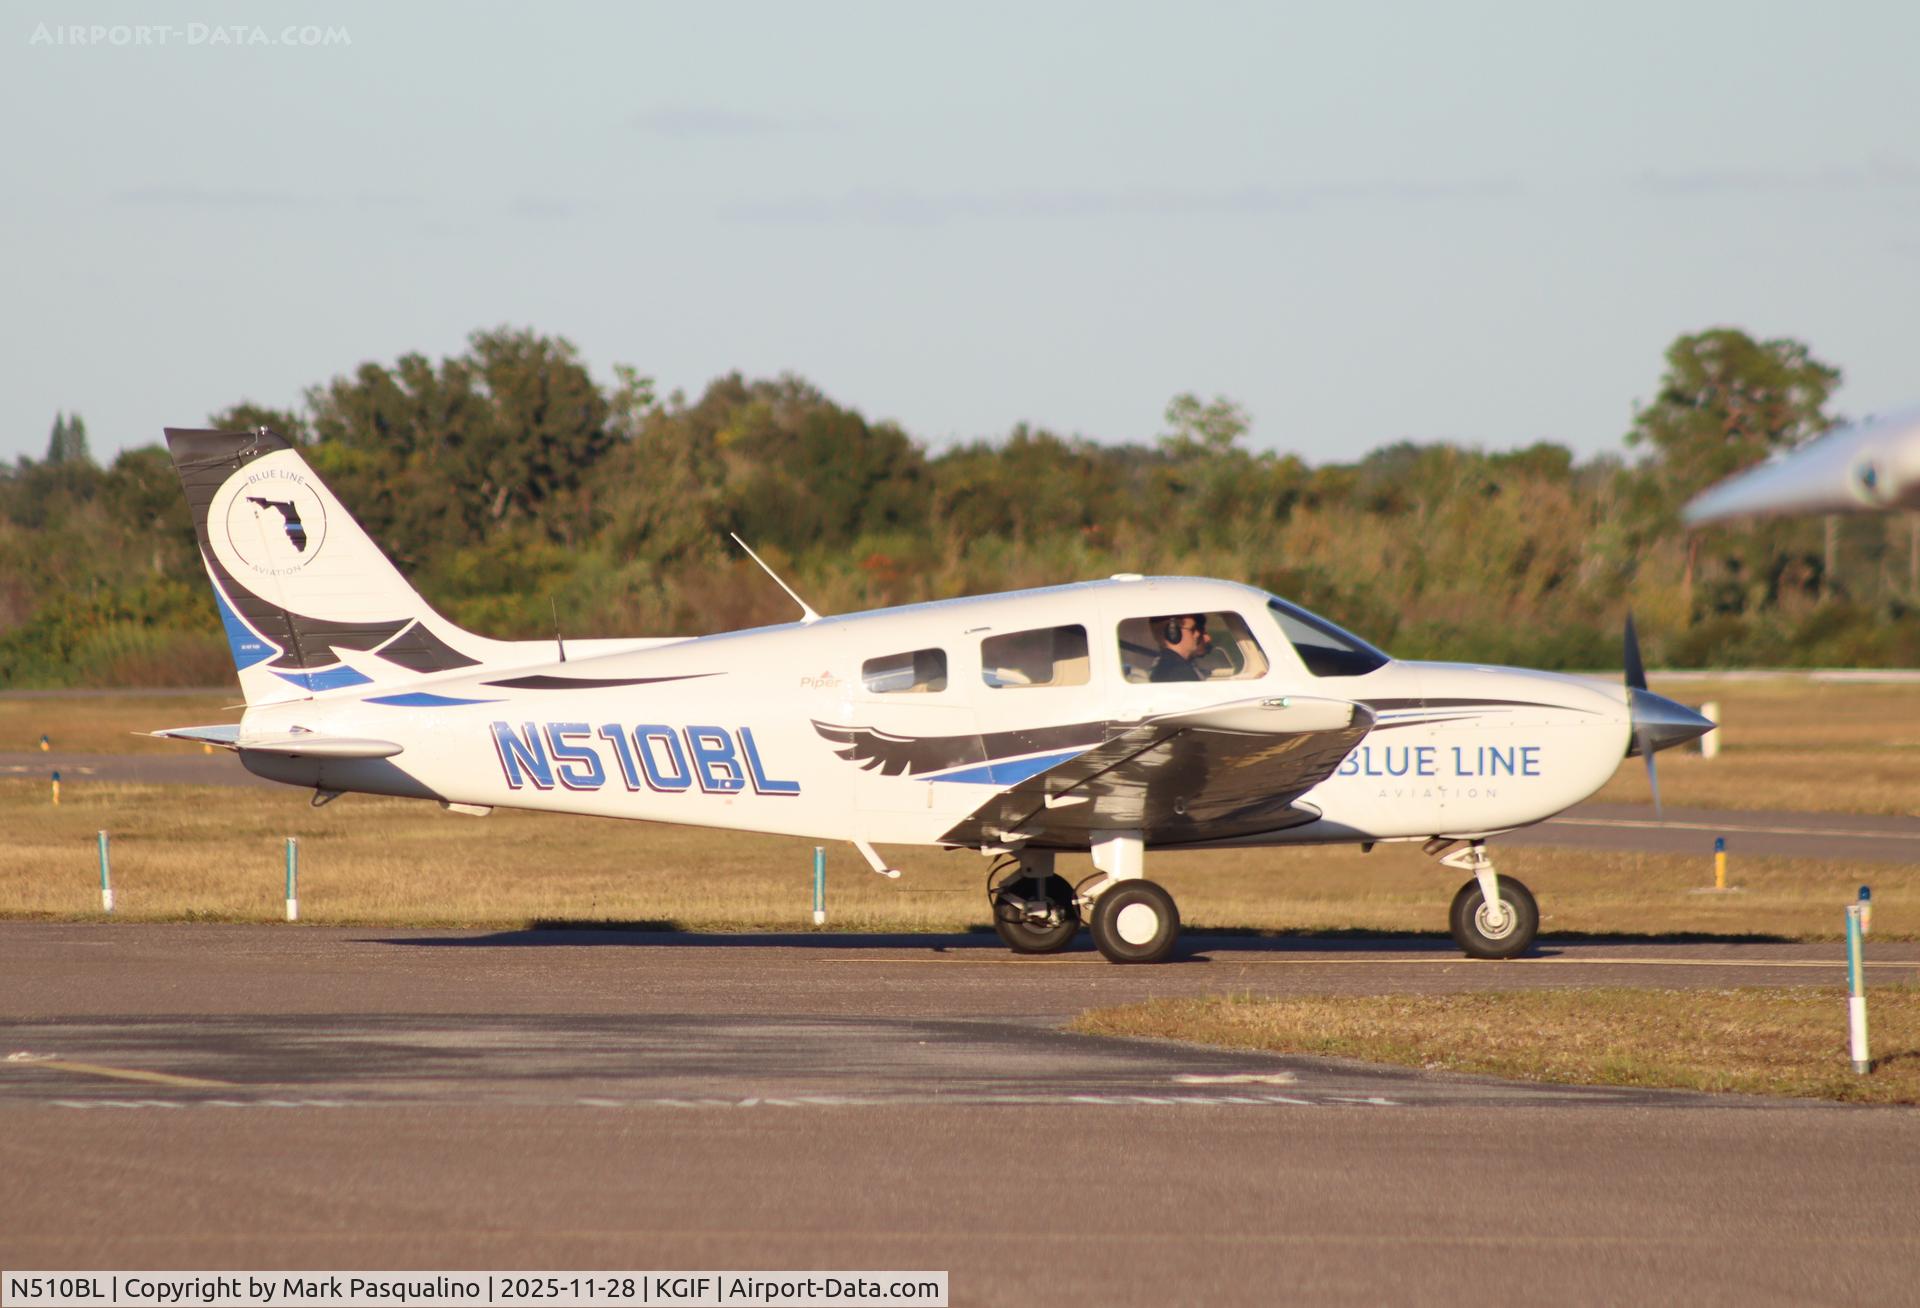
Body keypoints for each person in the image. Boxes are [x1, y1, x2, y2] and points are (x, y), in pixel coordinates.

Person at [1149, 613, 1210, 682]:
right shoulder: (1179, 671)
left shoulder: (1167, 666)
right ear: (1173, 633)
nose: (1197, 634)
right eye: (1193, 630)